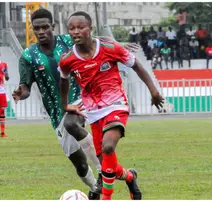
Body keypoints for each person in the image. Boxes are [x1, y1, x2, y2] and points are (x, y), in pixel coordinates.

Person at [59, 11, 164, 200]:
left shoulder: (109, 47)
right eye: (72, 28)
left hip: (116, 105)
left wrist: (154, 91)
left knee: (108, 147)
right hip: (93, 112)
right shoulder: (67, 59)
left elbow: (137, 66)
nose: (76, 32)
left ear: (90, 29)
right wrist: (66, 105)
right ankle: (130, 176)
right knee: (108, 166)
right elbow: (63, 81)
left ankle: (106, 198)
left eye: (80, 27)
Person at [11, 8, 103, 200]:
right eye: (37, 28)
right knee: (79, 163)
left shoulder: (68, 42)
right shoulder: (28, 56)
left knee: (72, 124)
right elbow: (26, 86)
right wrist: (21, 92)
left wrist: (119, 45)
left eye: (45, 27)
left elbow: (95, 42)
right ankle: (95, 188)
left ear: (52, 26)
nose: (41, 31)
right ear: (32, 29)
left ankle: (104, 171)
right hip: (56, 112)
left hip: (80, 99)